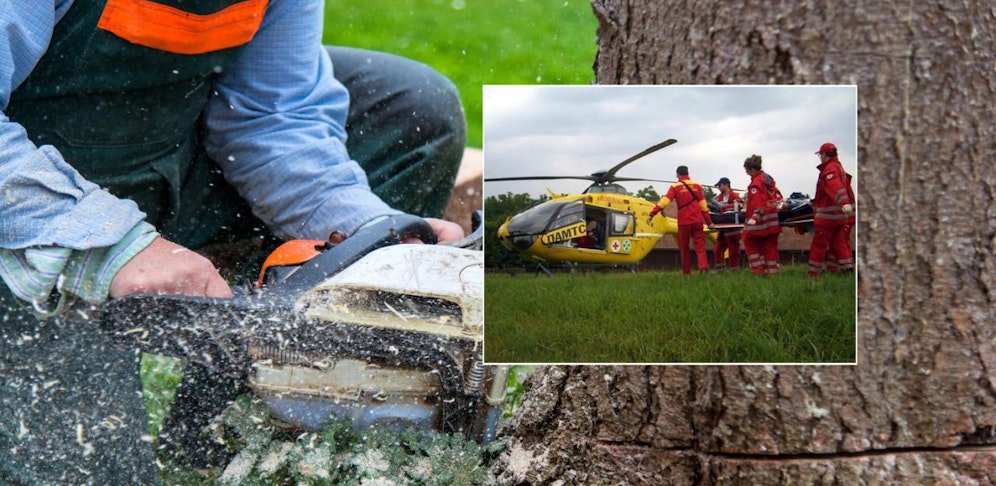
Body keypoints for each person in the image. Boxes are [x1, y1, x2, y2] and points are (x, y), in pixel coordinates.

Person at [0, 2, 466, 483]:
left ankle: (218, 432)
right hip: (19, 215)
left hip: (165, 154)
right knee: (91, 463)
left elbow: (273, 115)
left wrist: (372, 234)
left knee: (411, 107)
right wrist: (108, 244)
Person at [646, 165, 713, 274]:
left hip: (684, 222)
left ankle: (686, 273)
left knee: (684, 248)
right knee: (700, 246)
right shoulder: (697, 186)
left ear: (678, 174)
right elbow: (703, 206)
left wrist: (652, 213)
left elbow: (665, 202)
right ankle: (703, 267)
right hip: (697, 221)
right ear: (688, 173)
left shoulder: (675, 187)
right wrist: (709, 222)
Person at [808, 142, 856, 277]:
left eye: (820, 155)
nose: (820, 158)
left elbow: (835, 187)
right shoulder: (838, 167)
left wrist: (844, 202)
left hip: (828, 217)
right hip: (839, 217)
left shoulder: (829, 170)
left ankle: (814, 273)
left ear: (824, 154)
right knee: (840, 244)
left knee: (819, 245)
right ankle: (848, 269)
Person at [741, 155, 782, 275]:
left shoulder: (756, 184)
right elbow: (778, 198)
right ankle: (773, 274)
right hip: (773, 223)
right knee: (770, 248)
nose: (747, 173)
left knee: (748, 241)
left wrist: (753, 219)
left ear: (752, 169)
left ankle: (758, 271)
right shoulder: (768, 180)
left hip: (760, 223)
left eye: (747, 171)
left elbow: (757, 204)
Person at [712, 177, 743, 270]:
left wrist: (724, 207)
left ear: (726, 184)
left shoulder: (735, 196)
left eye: (720, 185)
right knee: (717, 250)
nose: (718, 188)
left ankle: (734, 270)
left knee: (733, 251)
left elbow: (740, 205)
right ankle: (720, 270)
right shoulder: (719, 197)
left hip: (733, 229)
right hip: (722, 229)